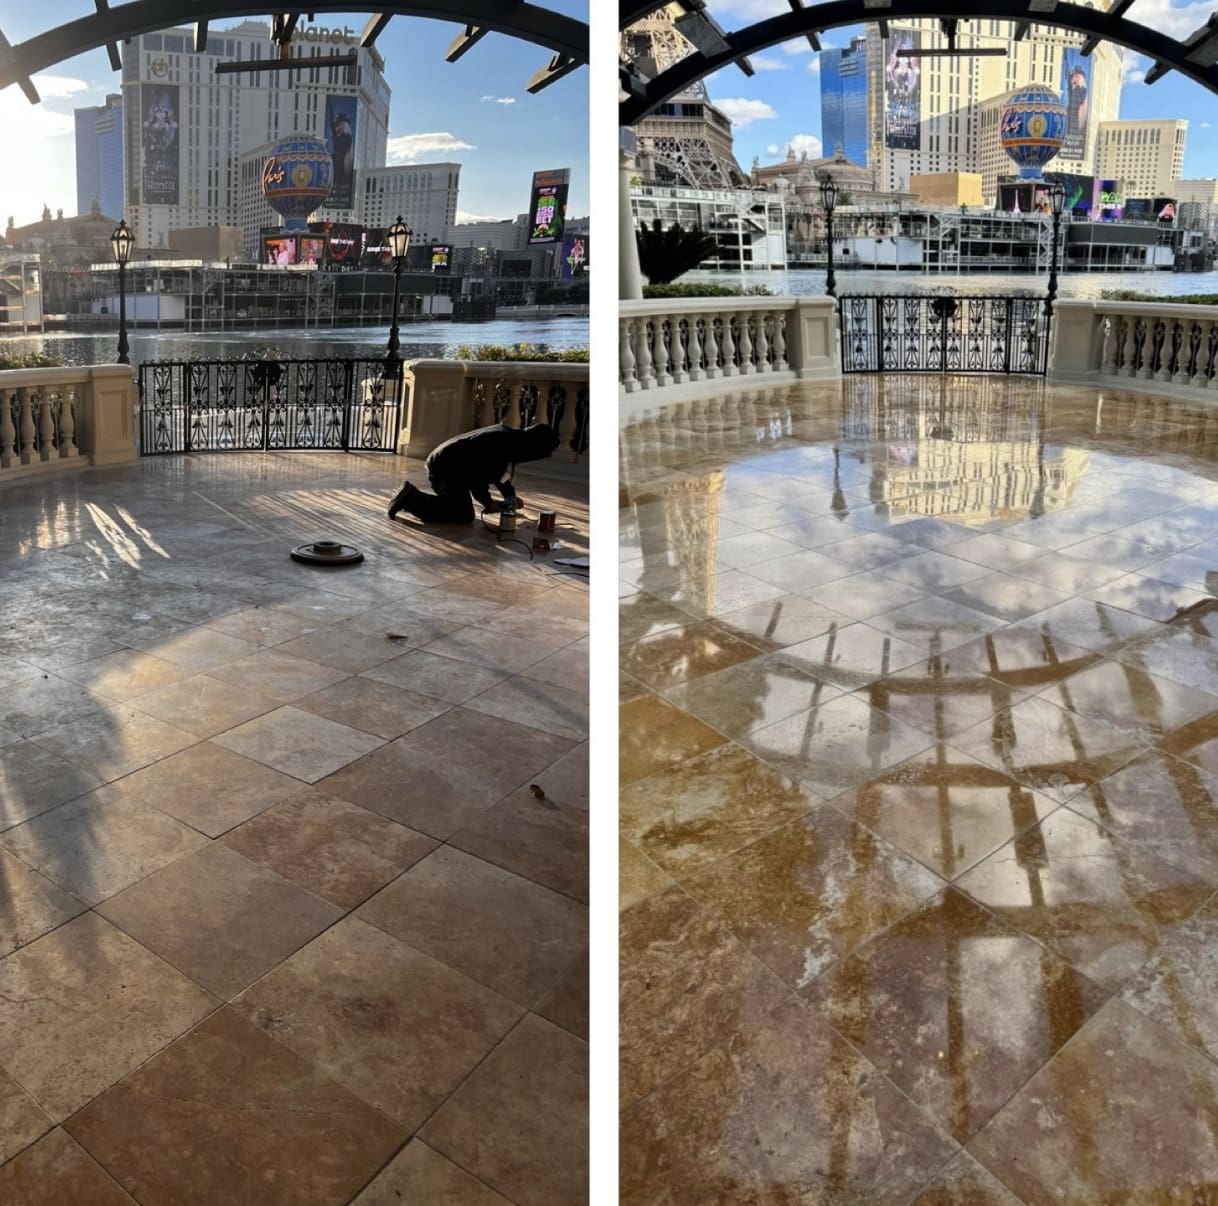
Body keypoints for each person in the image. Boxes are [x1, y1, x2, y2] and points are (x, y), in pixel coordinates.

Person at [388, 422, 561, 523]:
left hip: (453, 467)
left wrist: (509, 498)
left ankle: (412, 497)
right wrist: (489, 502)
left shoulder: (511, 440)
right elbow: (478, 478)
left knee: (461, 510)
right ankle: (410, 497)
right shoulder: (503, 444)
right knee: (461, 513)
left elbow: (500, 474)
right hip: (445, 469)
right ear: (535, 446)